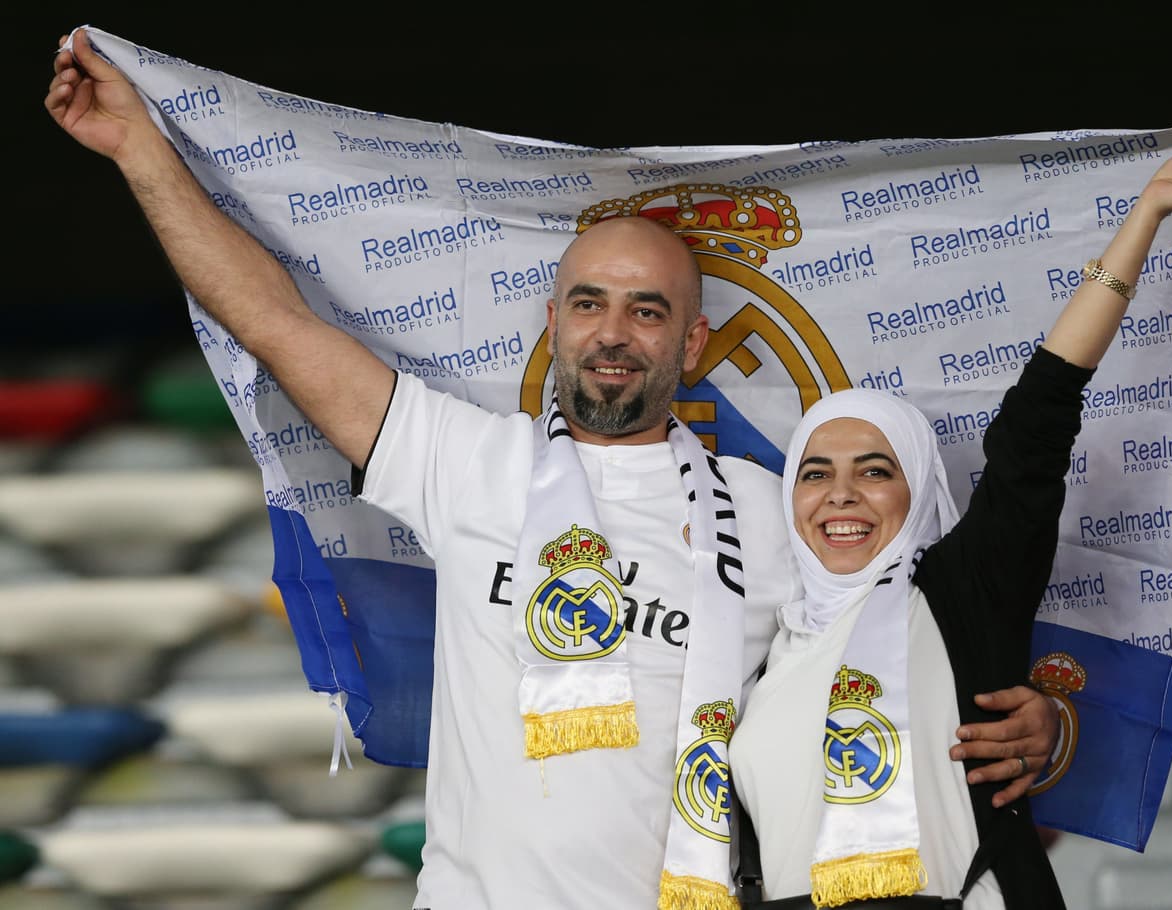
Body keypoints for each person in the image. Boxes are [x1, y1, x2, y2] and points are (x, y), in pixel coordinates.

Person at [45, 28, 1062, 910]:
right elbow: (270, 320)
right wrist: (137, 148)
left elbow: (925, 636)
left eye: (646, 310)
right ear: (554, 322)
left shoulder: (771, 512)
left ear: (694, 344)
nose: (612, 334)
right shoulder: (464, 461)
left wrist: (1047, 725)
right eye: (588, 303)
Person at [727, 131, 1172, 909]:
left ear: (919, 491)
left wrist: (1147, 213)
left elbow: (1039, 420)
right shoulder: (759, 663)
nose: (840, 494)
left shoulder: (964, 590)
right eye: (816, 472)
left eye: (875, 470)